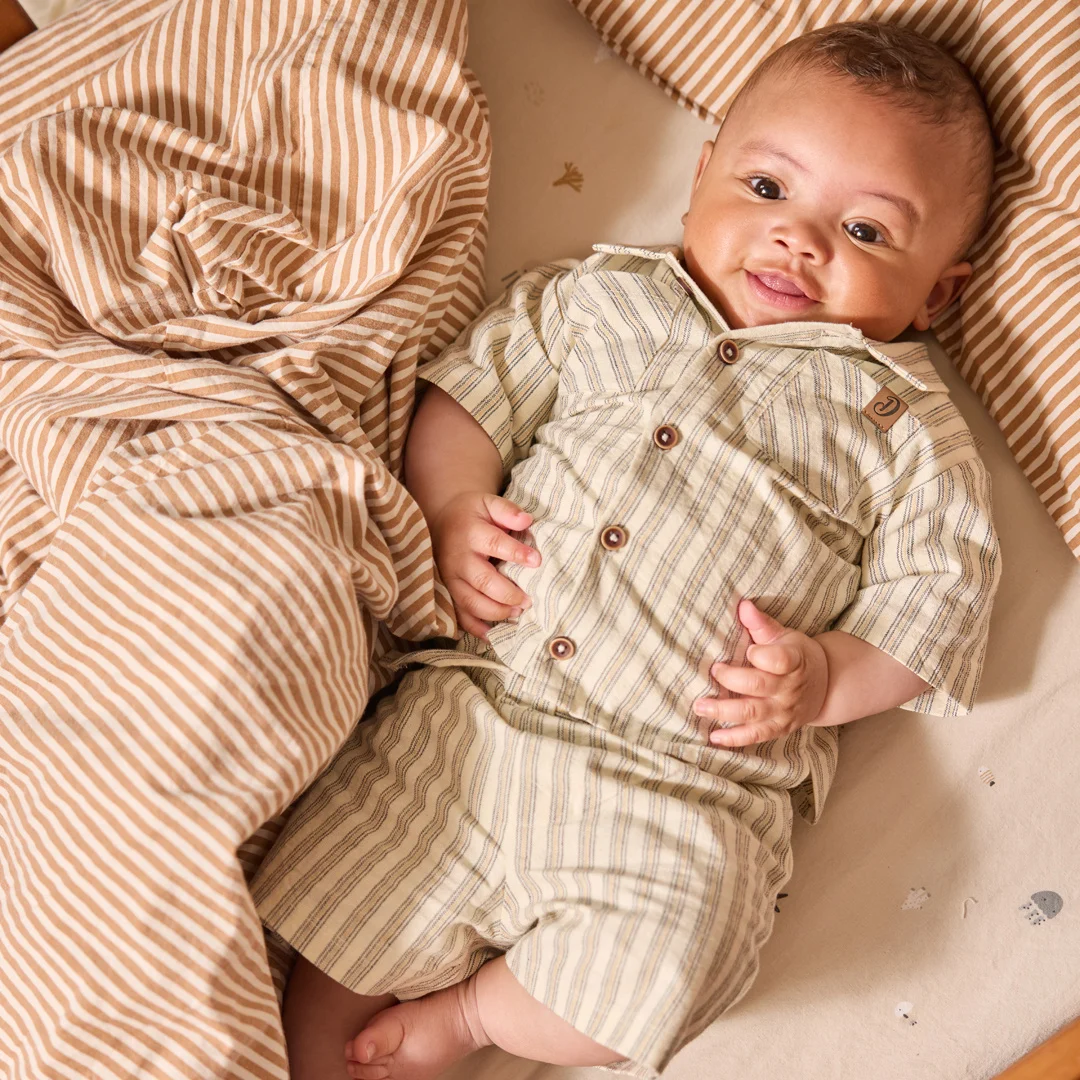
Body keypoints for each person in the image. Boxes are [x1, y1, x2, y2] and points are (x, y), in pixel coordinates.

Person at [251, 20, 1001, 1080]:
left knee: (666, 967)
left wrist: (827, 677)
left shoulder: (904, 427)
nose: (800, 241)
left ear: (939, 293)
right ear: (700, 177)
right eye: (768, 188)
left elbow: (938, 603)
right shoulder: (597, 299)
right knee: (334, 950)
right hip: (476, 721)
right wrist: (456, 503)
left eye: (868, 231)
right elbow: (473, 397)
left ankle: (472, 1016)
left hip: (681, 792)